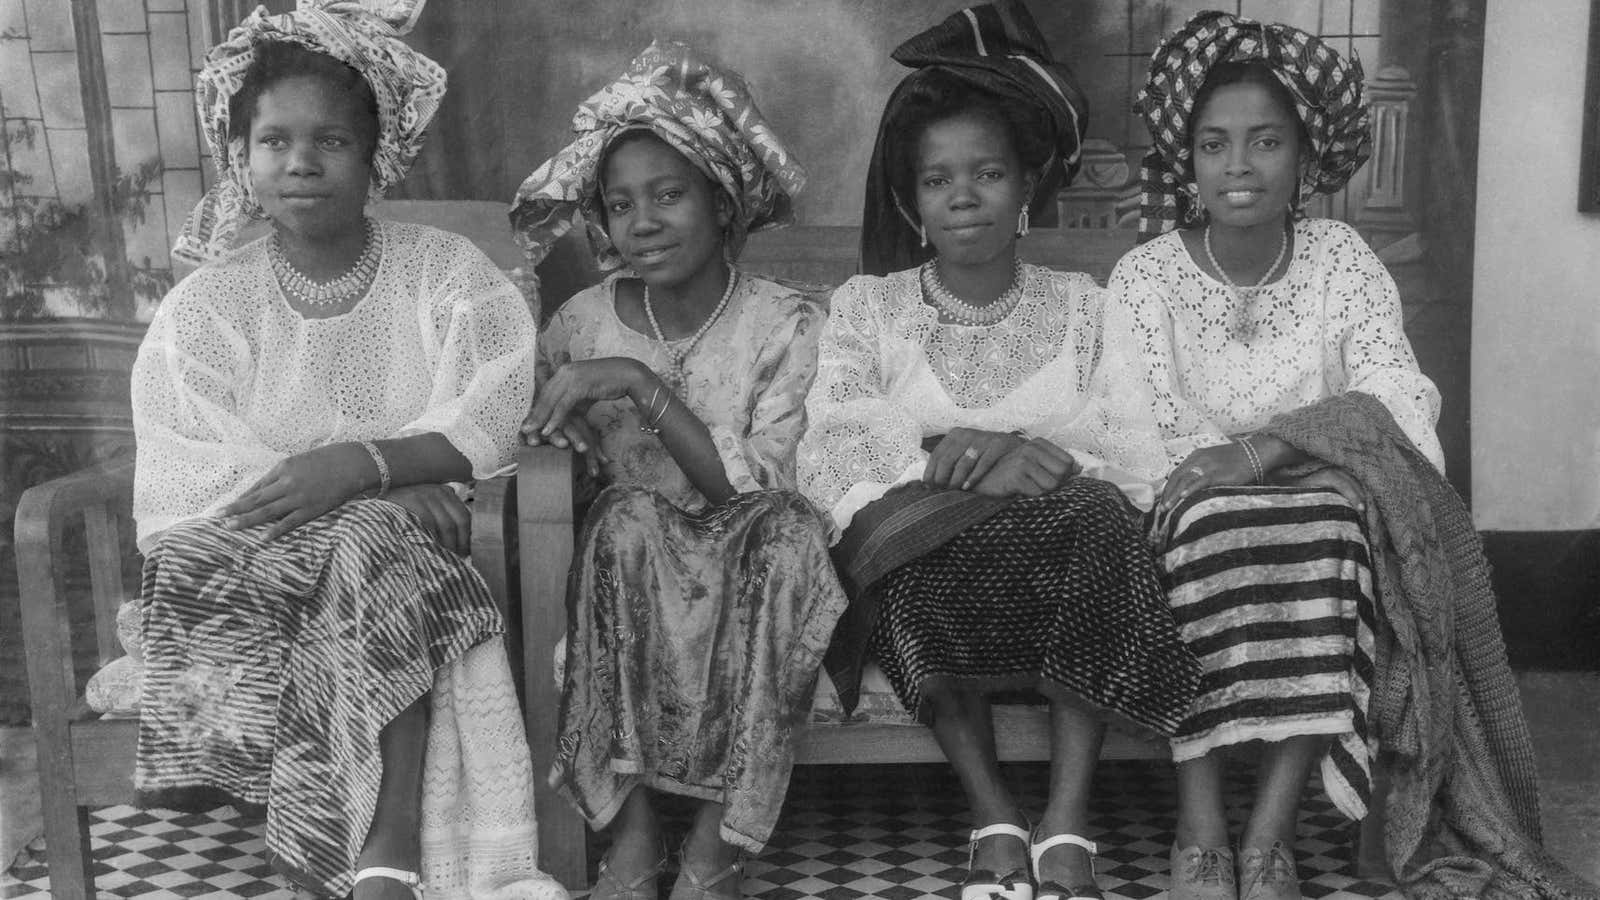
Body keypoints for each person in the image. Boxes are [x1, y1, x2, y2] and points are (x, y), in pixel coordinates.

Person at [1091, 11, 1600, 899]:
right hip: (1181, 499)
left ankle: (1271, 834)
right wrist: (1222, 476)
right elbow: (1137, 425)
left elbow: (1397, 398)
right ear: (1189, 159)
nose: (1238, 166)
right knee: (1203, 524)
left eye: (1264, 142)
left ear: (1306, 155)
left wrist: (1265, 456)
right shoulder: (1148, 277)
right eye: (1215, 144)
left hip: (1310, 494)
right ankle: (1201, 825)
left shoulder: (1340, 261)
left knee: (1330, 527)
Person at [131, 3, 566, 898]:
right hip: (249, 548)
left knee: (375, 546)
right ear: (242, 157)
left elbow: (492, 410)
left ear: (377, 158)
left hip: (407, 545)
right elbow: (191, 466)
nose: (300, 162)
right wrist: (370, 489)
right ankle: (365, 839)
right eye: (274, 140)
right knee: (359, 539)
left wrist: (364, 469)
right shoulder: (209, 306)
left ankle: (387, 838)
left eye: (330, 140)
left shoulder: (443, 274)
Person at [796, 5, 1199, 900]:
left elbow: (1133, 450)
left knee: (1100, 519)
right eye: (939, 180)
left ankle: (1066, 821)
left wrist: (1027, 458)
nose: (964, 195)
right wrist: (958, 448)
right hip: (934, 567)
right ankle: (993, 814)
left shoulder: (1086, 307)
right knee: (898, 551)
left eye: (987, 173)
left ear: (1027, 189)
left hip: (1064, 558)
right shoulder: (871, 308)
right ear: (913, 202)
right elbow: (833, 448)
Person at [510, 41, 848, 900]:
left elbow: (760, 491)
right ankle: (629, 838)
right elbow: (530, 442)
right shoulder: (578, 325)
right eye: (621, 205)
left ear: (723, 200)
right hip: (624, 568)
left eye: (669, 195)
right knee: (624, 513)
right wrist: (556, 439)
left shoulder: (787, 324)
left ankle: (710, 846)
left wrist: (636, 383)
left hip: (748, 562)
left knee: (791, 530)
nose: (643, 222)